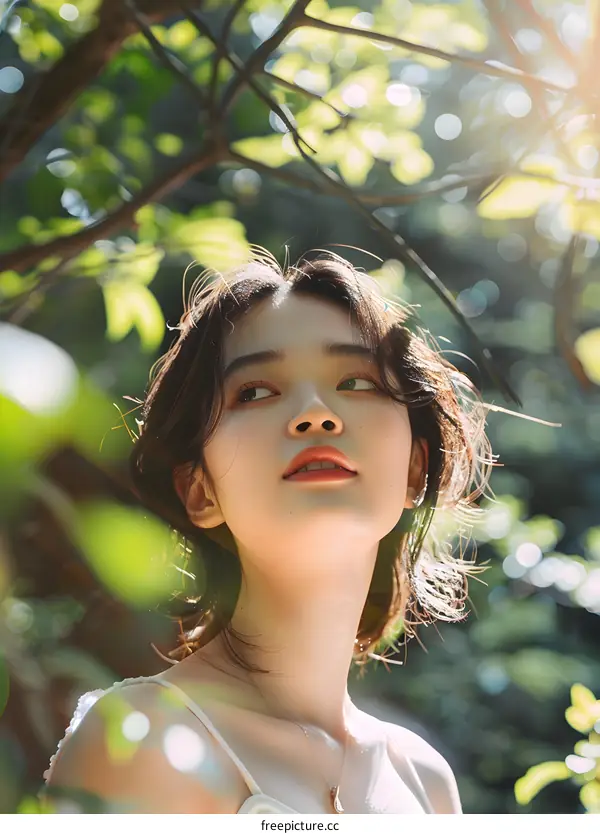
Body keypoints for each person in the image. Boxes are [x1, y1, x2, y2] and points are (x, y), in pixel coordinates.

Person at [42, 248, 495, 814]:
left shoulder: (425, 783)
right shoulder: (145, 741)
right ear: (200, 491)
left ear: (414, 469)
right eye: (255, 391)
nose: (314, 413)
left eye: (355, 381)